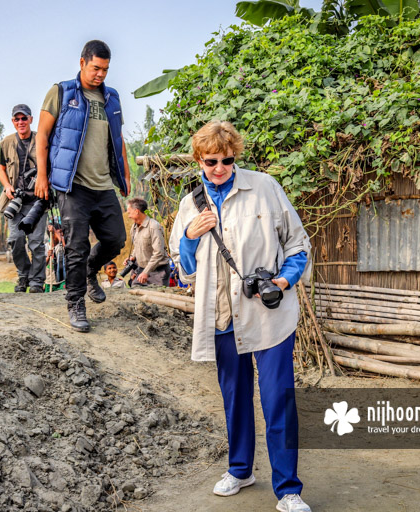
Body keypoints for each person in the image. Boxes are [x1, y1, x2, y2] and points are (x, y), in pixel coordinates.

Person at [169, 120, 312, 512]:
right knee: (235, 399)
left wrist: (281, 282)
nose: (219, 168)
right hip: (221, 318)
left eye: (227, 160)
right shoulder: (189, 205)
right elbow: (183, 269)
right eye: (211, 161)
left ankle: (288, 490)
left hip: (270, 316)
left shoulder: (265, 188)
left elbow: (299, 245)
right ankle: (240, 470)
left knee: (278, 400)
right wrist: (189, 237)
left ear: (236, 156)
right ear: (199, 159)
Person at [35, 40, 131, 332]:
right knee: (76, 246)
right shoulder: (62, 92)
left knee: (115, 240)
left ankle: (91, 270)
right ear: (82, 63)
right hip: (72, 184)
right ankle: (75, 302)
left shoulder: (111, 99)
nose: (100, 74)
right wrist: (42, 175)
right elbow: (42, 135)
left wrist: (125, 175)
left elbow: (119, 140)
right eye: (95, 68)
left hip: (103, 185)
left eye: (105, 69)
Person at [0, 104, 47, 293]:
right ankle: (23, 276)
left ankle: (36, 282)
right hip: (14, 201)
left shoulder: (42, 140)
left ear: (31, 120)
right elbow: (2, 169)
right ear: (13, 121)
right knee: (15, 239)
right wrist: (7, 186)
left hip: (37, 201)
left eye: (24, 118)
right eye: (17, 119)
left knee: (36, 242)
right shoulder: (7, 142)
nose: (20, 122)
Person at [124, 197, 170, 287]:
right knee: (136, 294)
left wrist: (146, 272)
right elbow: (137, 246)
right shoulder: (134, 228)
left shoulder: (154, 226)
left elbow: (159, 253)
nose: (128, 216)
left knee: (157, 297)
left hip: (158, 272)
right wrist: (132, 257)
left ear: (137, 211)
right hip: (141, 270)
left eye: (129, 212)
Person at [45, 222, 66, 291]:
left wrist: (55, 232)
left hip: (62, 281)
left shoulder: (62, 245)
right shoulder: (46, 247)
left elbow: (66, 248)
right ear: (52, 234)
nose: (62, 234)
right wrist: (48, 256)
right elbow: (42, 265)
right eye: (59, 232)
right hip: (49, 281)